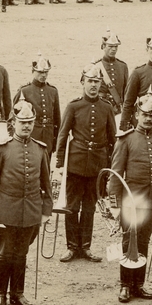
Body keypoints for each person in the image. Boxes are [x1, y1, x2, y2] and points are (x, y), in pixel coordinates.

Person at [0, 100, 53, 305]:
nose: (26, 126)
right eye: (22, 122)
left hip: (31, 211)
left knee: (21, 253)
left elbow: (46, 183)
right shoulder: (3, 148)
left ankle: (17, 294)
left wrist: (46, 210)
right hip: (7, 211)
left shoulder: (40, 149)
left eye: (30, 122)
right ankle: (0, 295)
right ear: (13, 123)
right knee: (5, 253)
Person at [109, 93, 152, 302]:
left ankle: (139, 284)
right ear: (137, 114)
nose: (148, 119)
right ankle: (125, 285)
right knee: (129, 240)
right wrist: (114, 204)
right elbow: (115, 174)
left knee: (144, 241)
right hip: (131, 202)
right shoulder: (126, 139)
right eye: (145, 115)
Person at [55, 65, 117, 263]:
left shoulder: (106, 107)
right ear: (83, 82)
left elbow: (113, 139)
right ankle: (72, 247)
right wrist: (60, 163)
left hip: (97, 166)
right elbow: (63, 135)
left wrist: (111, 167)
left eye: (97, 82)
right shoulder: (74, 106)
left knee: (90, 207)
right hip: (75, 164)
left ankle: (86, 247)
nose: (93, 85)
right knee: (72, 207)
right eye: (90, 81)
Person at [11, 55, 60, 162]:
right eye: (40, 72)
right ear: (33, 71)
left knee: (46, 164)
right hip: (31, 135)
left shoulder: (53, 91)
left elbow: (57, 119)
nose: (43, 75)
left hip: (48, 136)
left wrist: (56, 140)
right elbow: (13, 118)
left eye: (46, 72)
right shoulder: (24, 91)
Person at [95, 31, 129, 120]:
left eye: (116, 46)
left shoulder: (123, 66)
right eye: (110, 46)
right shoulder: (95, 66)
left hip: (117, 110)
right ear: (103, 46)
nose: (113, 49)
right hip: (100, 109)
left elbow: (126, 91)